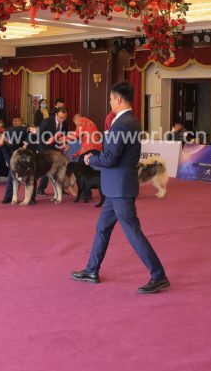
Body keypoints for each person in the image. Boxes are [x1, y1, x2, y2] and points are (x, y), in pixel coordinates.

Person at [71, 81, 169, 294]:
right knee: (102, 228)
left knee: (133, 233)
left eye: (110, 99)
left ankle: (158, 275)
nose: (109, 102)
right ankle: (92, 270)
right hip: (116, 188)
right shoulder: (131, 121)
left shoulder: (122, 124)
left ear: (118, 99)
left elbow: (110, 158)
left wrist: (90, 159)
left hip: (120, 189)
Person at [36, 106, 70, 196]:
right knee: (46, 168)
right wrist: (48, 141)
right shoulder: (47, 121)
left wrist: (65, 144)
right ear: (56, 115)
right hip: (44, 147)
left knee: (60, 168)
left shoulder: (66, 123)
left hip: (56, 147)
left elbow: (64, 136)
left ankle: (61, 189)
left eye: (64, 118)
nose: (62, 120)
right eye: (60, 117)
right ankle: (41, 189)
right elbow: (40, 135)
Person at [0, 116, 28, 204]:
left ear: (21, 121)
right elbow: (1, 142)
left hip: (21, 154)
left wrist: (25, 145)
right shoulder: (8, 130)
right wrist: (2, 140)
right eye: (13, 121)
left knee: (16, 174)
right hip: (9, 153)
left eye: (17, 121)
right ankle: (9, 197)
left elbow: (26, 142)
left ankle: (26, 197)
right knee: (12, 173)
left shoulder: (24, 130)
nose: (15, 122)